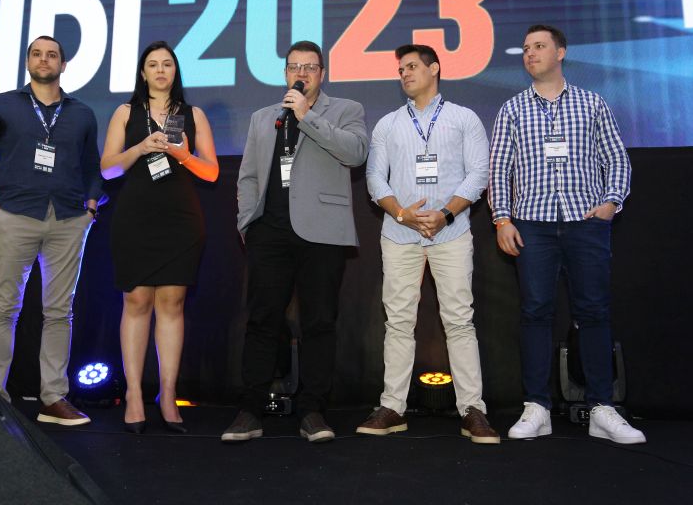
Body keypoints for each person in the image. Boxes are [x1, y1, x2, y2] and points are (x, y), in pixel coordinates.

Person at [489, 24, 645, 444]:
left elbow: (617, 159)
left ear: (560, 52)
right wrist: (502, 219)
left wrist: (611, 202)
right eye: (526, 48)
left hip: (585, 221)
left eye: (539, 46)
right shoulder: (512, 110)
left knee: (593, 312)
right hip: (531, 224)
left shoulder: (592, 103)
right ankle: (536, 407)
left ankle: (601, 408)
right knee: (535, 313)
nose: (530, 53)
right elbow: (499, 169)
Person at [221, 41, 368, 444]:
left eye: (310, 67)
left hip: (322, 233)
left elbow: (356, 153)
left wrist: (307, 116)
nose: (301, 74)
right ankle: (250, 411)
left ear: (322, 73)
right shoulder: (262, 117)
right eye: (294, 67)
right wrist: (247, 223)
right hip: (269, 231)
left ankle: (313, 411)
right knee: (262, 320)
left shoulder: (346, 110)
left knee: (319, 322)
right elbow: (248, 175)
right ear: (285, 73)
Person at [356, 44, 499, 443]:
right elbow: (374, 178)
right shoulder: (388, 124)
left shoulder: (463, 118)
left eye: (412, 66)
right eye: (400, 69)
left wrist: (446, 214)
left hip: (450, 233)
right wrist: (402, 213)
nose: (404, 74)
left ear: (435, 68)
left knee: (459, 320)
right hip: (399, 234)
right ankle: (392, 407)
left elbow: (479, 173)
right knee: (398, 322)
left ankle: (472, 410)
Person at [0, 35, 103, 426]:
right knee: (3, 308)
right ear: (28, 62)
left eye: (52, 55)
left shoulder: (82, 113)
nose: (44, 59)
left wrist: (90, 208)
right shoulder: (1, 104)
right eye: (37, 54)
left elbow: (92, 169)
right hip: (14, 216)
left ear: (63, 65)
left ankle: (53, 399)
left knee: (60, 312)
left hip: (69, 220)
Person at [100, 41, 219, 434]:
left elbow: (212, 172)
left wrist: (183, 155)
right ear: (143, 72)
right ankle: (134, 394)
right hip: (136, 218)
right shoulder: (125, 112)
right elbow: (108, 170)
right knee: (136, 300)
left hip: (180, 220)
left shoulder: (193, 115)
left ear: (175, 71)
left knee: (172, 302)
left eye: (167, 64)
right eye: (153, 64)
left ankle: (167, 394)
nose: (161, 70)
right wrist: (140, 147)